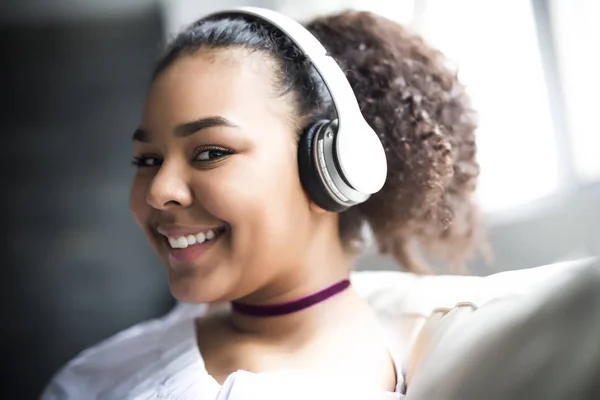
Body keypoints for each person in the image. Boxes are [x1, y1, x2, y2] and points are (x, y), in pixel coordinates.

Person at [40, 6, 482, 399]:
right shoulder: (130, 357)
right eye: (147, 159)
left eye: (211, 152)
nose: (159, 189)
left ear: (331, 167)